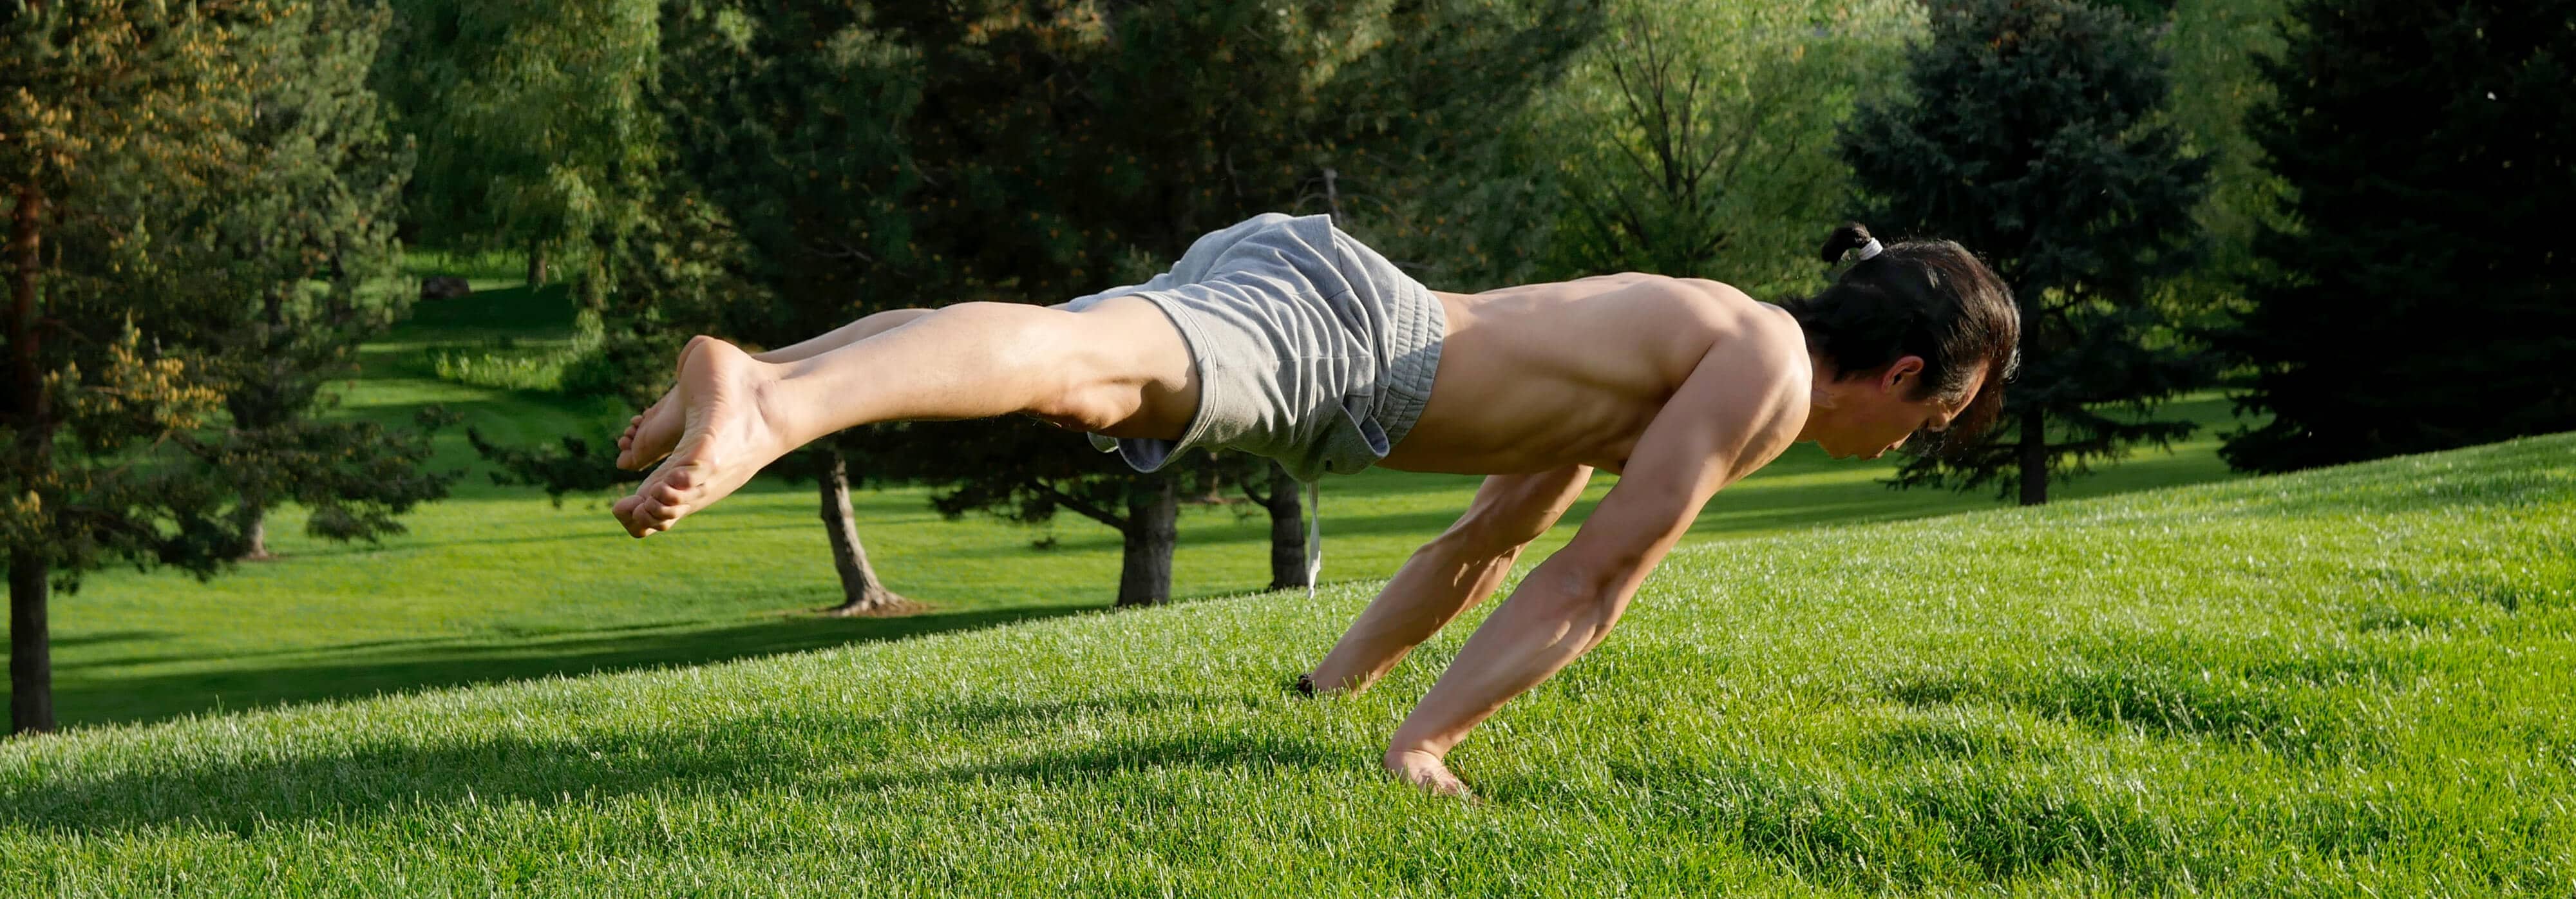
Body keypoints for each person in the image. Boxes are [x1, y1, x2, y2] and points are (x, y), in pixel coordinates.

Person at [609, 212, 2020, 797]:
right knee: (1088, 372)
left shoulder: (1689, 358)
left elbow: (1492, 542)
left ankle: (776, 368)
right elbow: (1595, 583)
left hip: (1340, 311)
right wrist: (1429, 747)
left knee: (1069, 359)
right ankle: (771, 399)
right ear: (1901, 371)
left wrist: (1346, 685)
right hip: (1363, 341)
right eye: (1933, 416)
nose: (1913, 442)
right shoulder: (1761, 370)